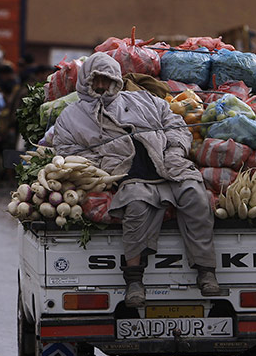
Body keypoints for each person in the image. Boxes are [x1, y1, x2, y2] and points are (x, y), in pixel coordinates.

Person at [52, 53, 220, 307]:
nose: (100, 86)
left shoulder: (143, 100)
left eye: (107, 81)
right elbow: (66, 151)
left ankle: (206, 271)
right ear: (85, 80)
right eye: (95, 80)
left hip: (168, 165)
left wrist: (174, 149)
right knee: (137, 207)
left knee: (195, 195)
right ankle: (134, 281)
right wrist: (103, 160)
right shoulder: (71, 116)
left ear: (116, 81)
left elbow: (175, 123)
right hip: (126, 174)